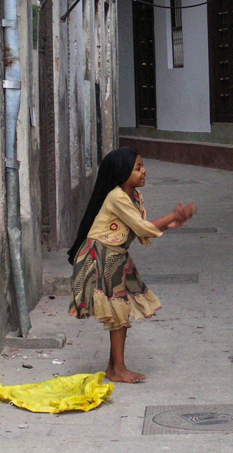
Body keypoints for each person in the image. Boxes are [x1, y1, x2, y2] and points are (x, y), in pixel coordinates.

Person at [68, 147, 198, 384]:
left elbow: (140, 228)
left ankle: (113, 367)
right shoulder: (117, 197)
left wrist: (170, 222)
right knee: (118, 311)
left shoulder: (134, 196)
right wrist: (172, 216)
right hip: (102, 256)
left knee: (120, 311)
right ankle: (118, 368)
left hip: (117, 255)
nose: (144, 171)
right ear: (123, 172)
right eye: (138, 168)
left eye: (142, 166)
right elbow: (142, 228)